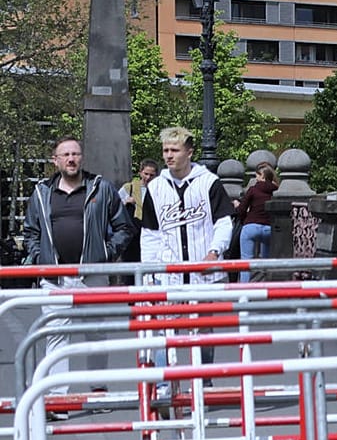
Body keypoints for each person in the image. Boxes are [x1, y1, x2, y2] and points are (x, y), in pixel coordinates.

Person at [21, 137, 137, 395]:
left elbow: (124, 227)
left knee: (95, 334)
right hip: (55, 277)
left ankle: (98, 390)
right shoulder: (42, 192)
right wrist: (41, 258)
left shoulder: (100, 188)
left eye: (75, 154)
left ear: (81, 157)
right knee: (56, 336)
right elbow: (30, 231)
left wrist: (105, 253)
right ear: (56, 160)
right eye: (66, 155)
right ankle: (58, 396)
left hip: (92, 276)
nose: (71, 159)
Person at [139, 127, 234, 370]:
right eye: (165, 150)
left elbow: (223, 222)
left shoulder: (209, 183)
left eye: (174, 150)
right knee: (164, 326)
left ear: (189, 152)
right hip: (168, 272)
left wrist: (214, 251)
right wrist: (149, 272)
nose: (169, 155)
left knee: (202, 326)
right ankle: (165, 382)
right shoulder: (155, 187)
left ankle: (203, 379)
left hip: (203, 270)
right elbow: (150, 233)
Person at [232, 162, 278, 282]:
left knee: (246, 261)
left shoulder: (253, 189)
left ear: (262, 176)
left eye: (257, 175)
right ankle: (266, 286)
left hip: (251, 227)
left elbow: (242, 209)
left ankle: (244, 290)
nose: (256, 178)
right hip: (268, 228)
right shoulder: (276, 191)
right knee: (266, 262)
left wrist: (243, 218)